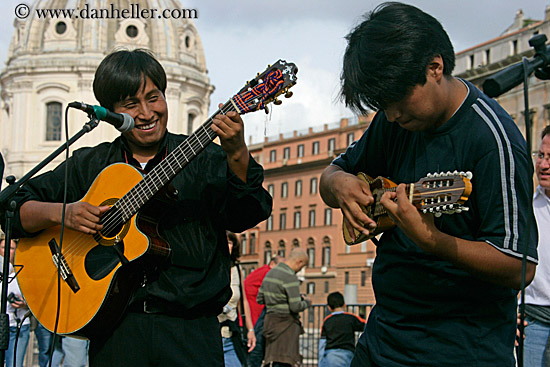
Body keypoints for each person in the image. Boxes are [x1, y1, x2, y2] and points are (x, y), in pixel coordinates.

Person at [3, 49, 272, 367]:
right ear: (110, 112)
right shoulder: (89, 165)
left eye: (154, 97)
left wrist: (238, 153)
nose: (147, 113)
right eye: (131, 105)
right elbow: (10, 207)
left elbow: (249, 213)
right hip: (116, 330)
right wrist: (63, 214)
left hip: (191, 332)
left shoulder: (208, 159)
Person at [319, 3, 537, 366]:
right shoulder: (392, 123)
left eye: (398, 100)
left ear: (434, 68)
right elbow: (332, 174)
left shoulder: (493, 140)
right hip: (383, 339)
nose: (391, 115)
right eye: (382, 105)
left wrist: (431, 240)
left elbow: (520, 266)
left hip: (461, 351)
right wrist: (339, 183)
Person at [521, 125, 550, 366]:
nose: (543, 165)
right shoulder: (527, 207)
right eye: (540, 156)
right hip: (535, 320)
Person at [257, 248, 310, 367]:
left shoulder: (271, 273)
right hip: (286, 327)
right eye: (302, 267)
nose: (300, 270)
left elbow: (260, 298)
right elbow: (295, 306)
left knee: (272, 361)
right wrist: (307, 302)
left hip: (270, 323)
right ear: (299, 262)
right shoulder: (290, 276)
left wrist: (274, 300)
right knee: (285, 362)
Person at [218, 231, 256, 367]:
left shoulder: (236, 269)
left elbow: (243, 301)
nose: (226, 245)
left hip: (231, 336)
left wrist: (250, 330)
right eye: (224, 241)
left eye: (229, 242)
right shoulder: (210, 268)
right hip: (213, 335)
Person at [245, 256, 284, 367]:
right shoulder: (268, 274)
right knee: (256, 351)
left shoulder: (262, 272)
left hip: (255, 316)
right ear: (272, 263)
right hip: (256, 317)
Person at [1, 235, 30, 367]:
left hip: (17, 326)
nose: (7, 251)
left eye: (11, 248)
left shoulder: (24, 271)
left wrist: (24, 304)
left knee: (14, 364)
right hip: (3, 324)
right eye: (3, 247)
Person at [318, 292, 365, 367]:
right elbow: (365, 325)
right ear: (344, 304)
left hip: (330, 355)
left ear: (329, 307)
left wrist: (320, 362)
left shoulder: (327, 321)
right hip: (347, 354)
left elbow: (322, 343)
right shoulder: (351, 318)